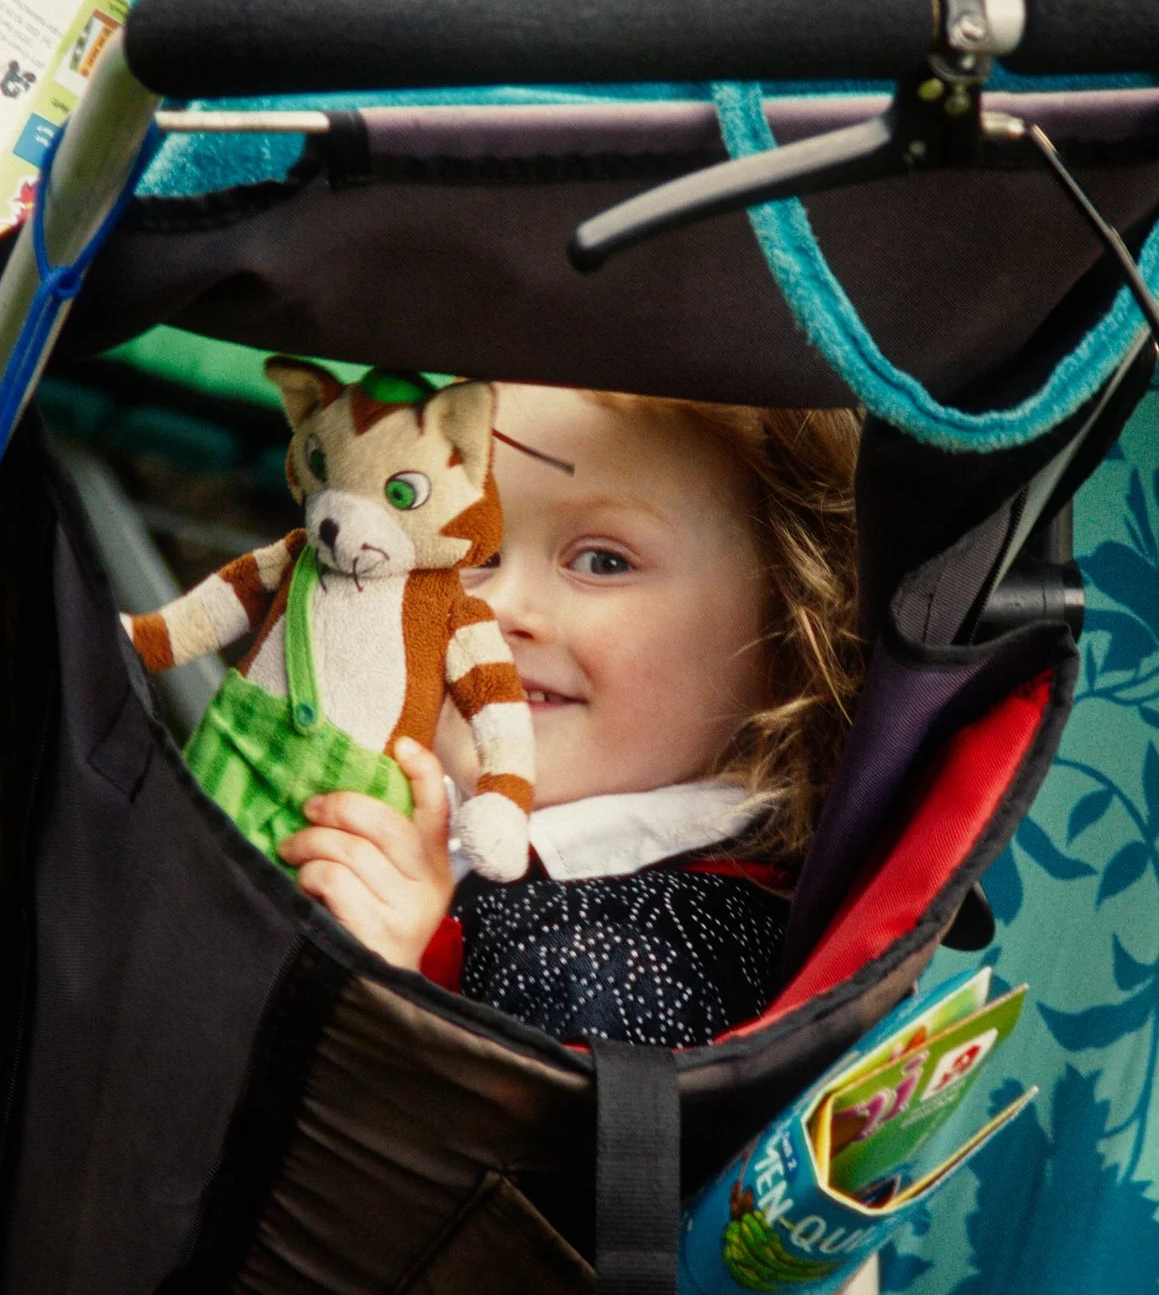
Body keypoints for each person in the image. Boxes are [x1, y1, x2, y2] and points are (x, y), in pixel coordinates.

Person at [279, 384, 861, 1047]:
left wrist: (391, 991)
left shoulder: (638, 954)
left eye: (603, 562)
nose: (498, 606)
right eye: (475, 552)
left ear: (789, 630)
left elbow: (528, 1147)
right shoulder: (406, 803)